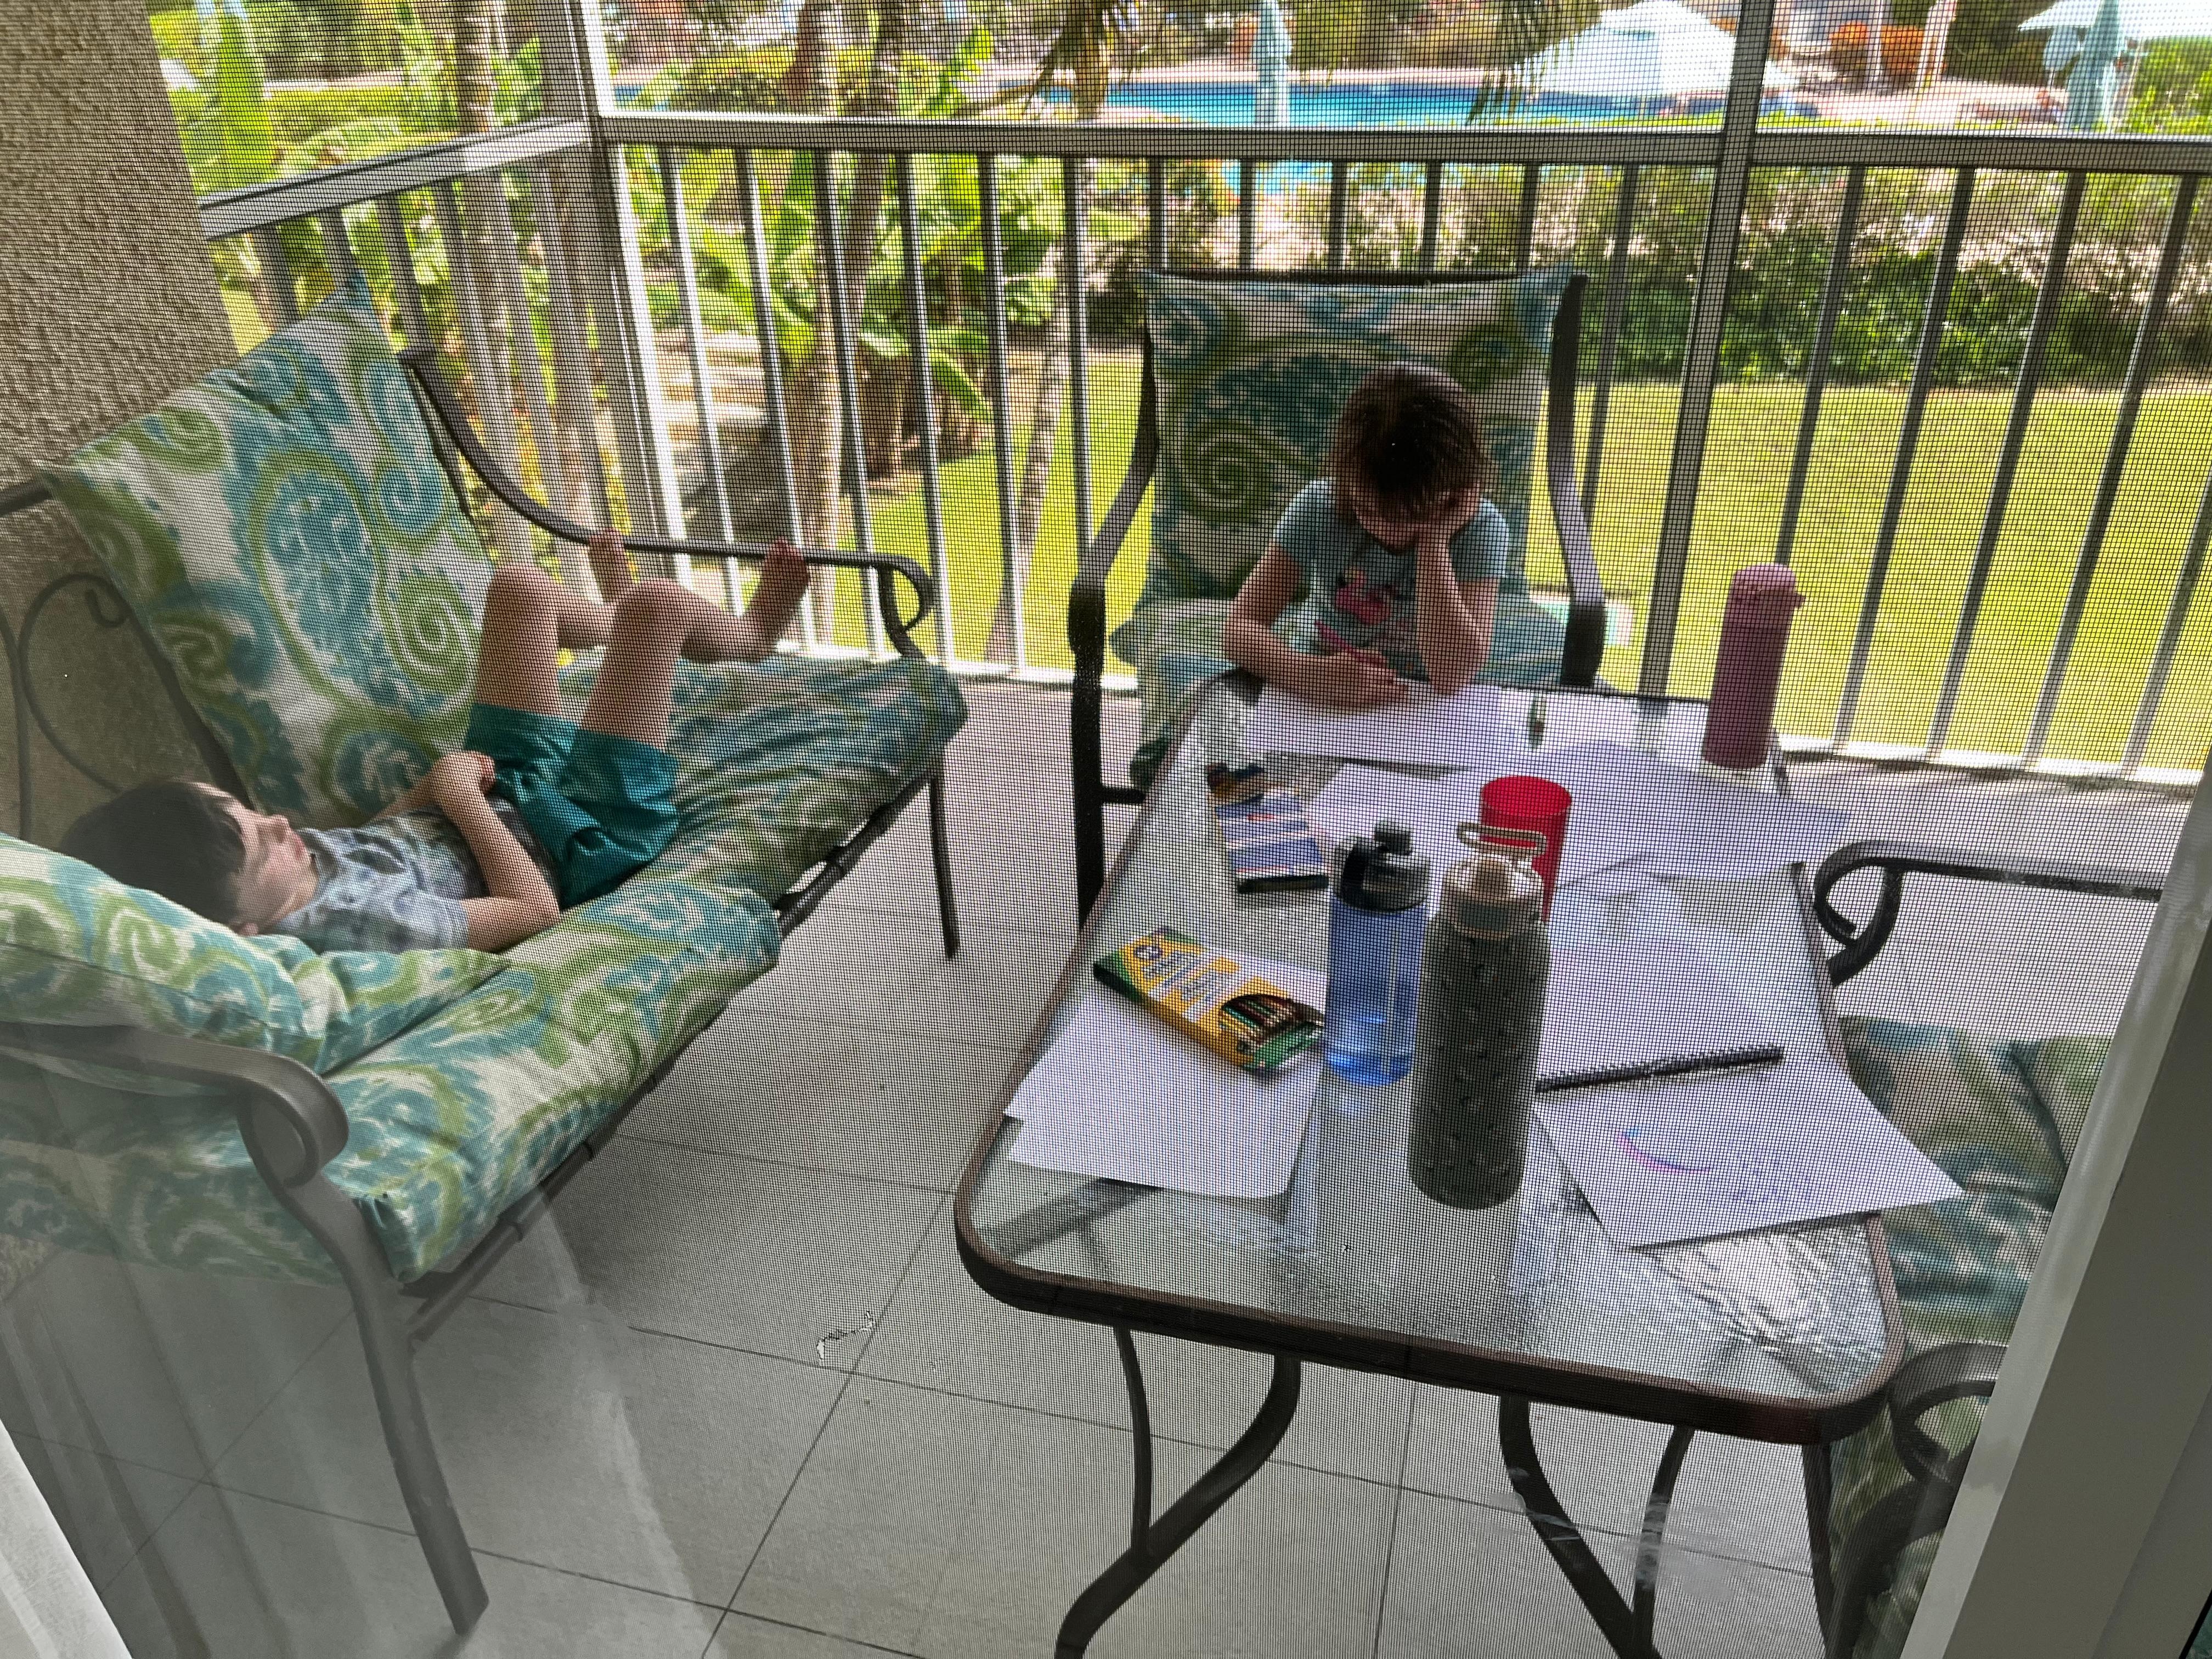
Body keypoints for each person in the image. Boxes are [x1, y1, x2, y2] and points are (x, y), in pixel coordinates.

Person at [61, 535, 810, 955]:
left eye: (247, 812)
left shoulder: (285, 875)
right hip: (580, 836)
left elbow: (376, 839)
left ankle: (629, 634)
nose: (280, 823)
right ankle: (747, 639)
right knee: (657, 603)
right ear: (239, 930)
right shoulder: (363, 928)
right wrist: (458, 800)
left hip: (503, 788)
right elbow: (532, 914)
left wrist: (429, 795)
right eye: (262, 843)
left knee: (519, 587)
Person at [1224, 363, 1506, 710]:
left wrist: (1433, 541)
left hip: (1423, 705)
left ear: (1458, 491)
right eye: (1369, 511)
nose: (1388, 531)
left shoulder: (1480, 530)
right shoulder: (1320, 507)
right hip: (1324, 686)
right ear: (1346, 479)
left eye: (1412, 517)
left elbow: (1451, 676)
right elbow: (1237, 629)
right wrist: (1310, 675)